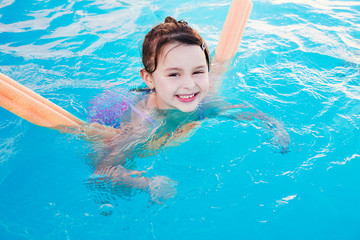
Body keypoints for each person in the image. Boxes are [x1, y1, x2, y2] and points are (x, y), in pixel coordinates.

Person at [78, 16, 290, 204]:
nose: (189, 84)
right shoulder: (142, 126)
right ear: (148, 78)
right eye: (174, 74)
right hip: (113, 115)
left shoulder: (204, 101)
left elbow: (245, 112)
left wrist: (276, 128)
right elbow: (102, 169)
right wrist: (147, 182)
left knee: (218, 74)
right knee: (116, 196)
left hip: (171, 103)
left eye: (198, 71)